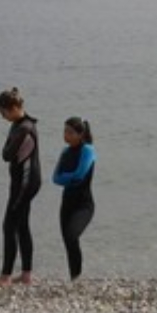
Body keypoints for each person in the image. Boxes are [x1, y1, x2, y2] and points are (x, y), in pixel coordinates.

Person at [0, 88, 41, 286]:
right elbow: (9, 152)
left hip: (25, 183)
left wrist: (8, 145)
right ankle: (26, 275)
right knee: (22, 225)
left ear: (14, 108)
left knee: (9, 225)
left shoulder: (23, 128)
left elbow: (6, 155)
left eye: (3, 113)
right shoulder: (22, 124)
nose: (2, 117)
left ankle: (5, 276)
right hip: (26, 181)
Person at [51, 117, 97, 281]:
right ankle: (74, 278)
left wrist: (66, 177)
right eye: (65, 131)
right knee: (68, 242)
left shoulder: (88, 150)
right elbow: (55, 178)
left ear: (80, 134)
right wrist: (67, 178)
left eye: (70, 132)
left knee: (72, 236)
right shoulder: (65, 152)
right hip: (67, 204)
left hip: (84, 205)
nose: (66, 135)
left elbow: (80, 174)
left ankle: (77, 277)